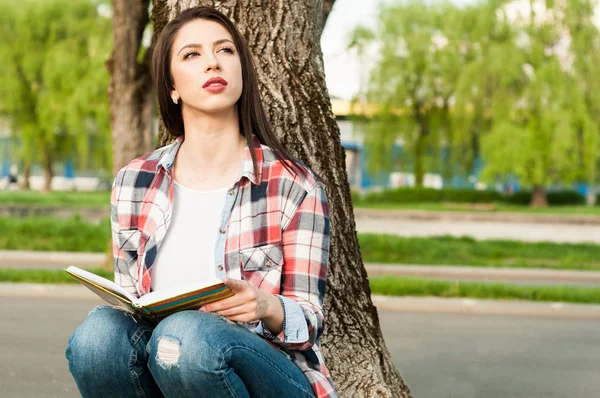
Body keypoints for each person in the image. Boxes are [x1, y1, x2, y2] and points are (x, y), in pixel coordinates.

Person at [65, 6, 335, 398]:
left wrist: (264, 305)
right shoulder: (134, 182)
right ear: (172, 87)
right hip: (167, 366)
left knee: (186, 334)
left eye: (225, 51)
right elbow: (131, 314)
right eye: (192, 55)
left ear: (241, 71)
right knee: (98, 338)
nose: (212, 62)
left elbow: (309, 321)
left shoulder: (293, 185)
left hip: (271, 376)